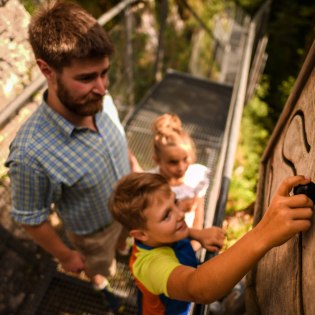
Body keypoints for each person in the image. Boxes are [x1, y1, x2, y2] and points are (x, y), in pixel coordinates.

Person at [5, 1, 140, 312]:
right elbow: (30, 217)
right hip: (92, 234)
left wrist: (132, 164)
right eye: (87, 77)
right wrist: (66, 256)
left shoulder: (96, 99)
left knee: (125, 244)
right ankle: (102, 285)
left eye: (105, 73)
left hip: (128, 207)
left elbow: (115, 135)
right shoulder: (31, 154)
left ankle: (123, 250)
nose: (102, 88)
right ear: (47, 71)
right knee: (101, 268)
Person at [109, 172, 313, 315]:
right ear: (140, 235)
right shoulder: (149, 266)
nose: (181, 214)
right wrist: (264, 233)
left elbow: (174, 226)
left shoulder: (161, 233)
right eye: (166, 215)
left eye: (175, 201)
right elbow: (198, 288)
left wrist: (196, 234)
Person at [149, 113, 216, 251]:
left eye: (185, 159)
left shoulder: (197, 176)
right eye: (173, 162)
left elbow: (199, 208)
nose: (181, 167)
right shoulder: (150, 183)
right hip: (161, 243)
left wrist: (196, 239)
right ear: (157, 160)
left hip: (187, 236)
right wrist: (179, 208)